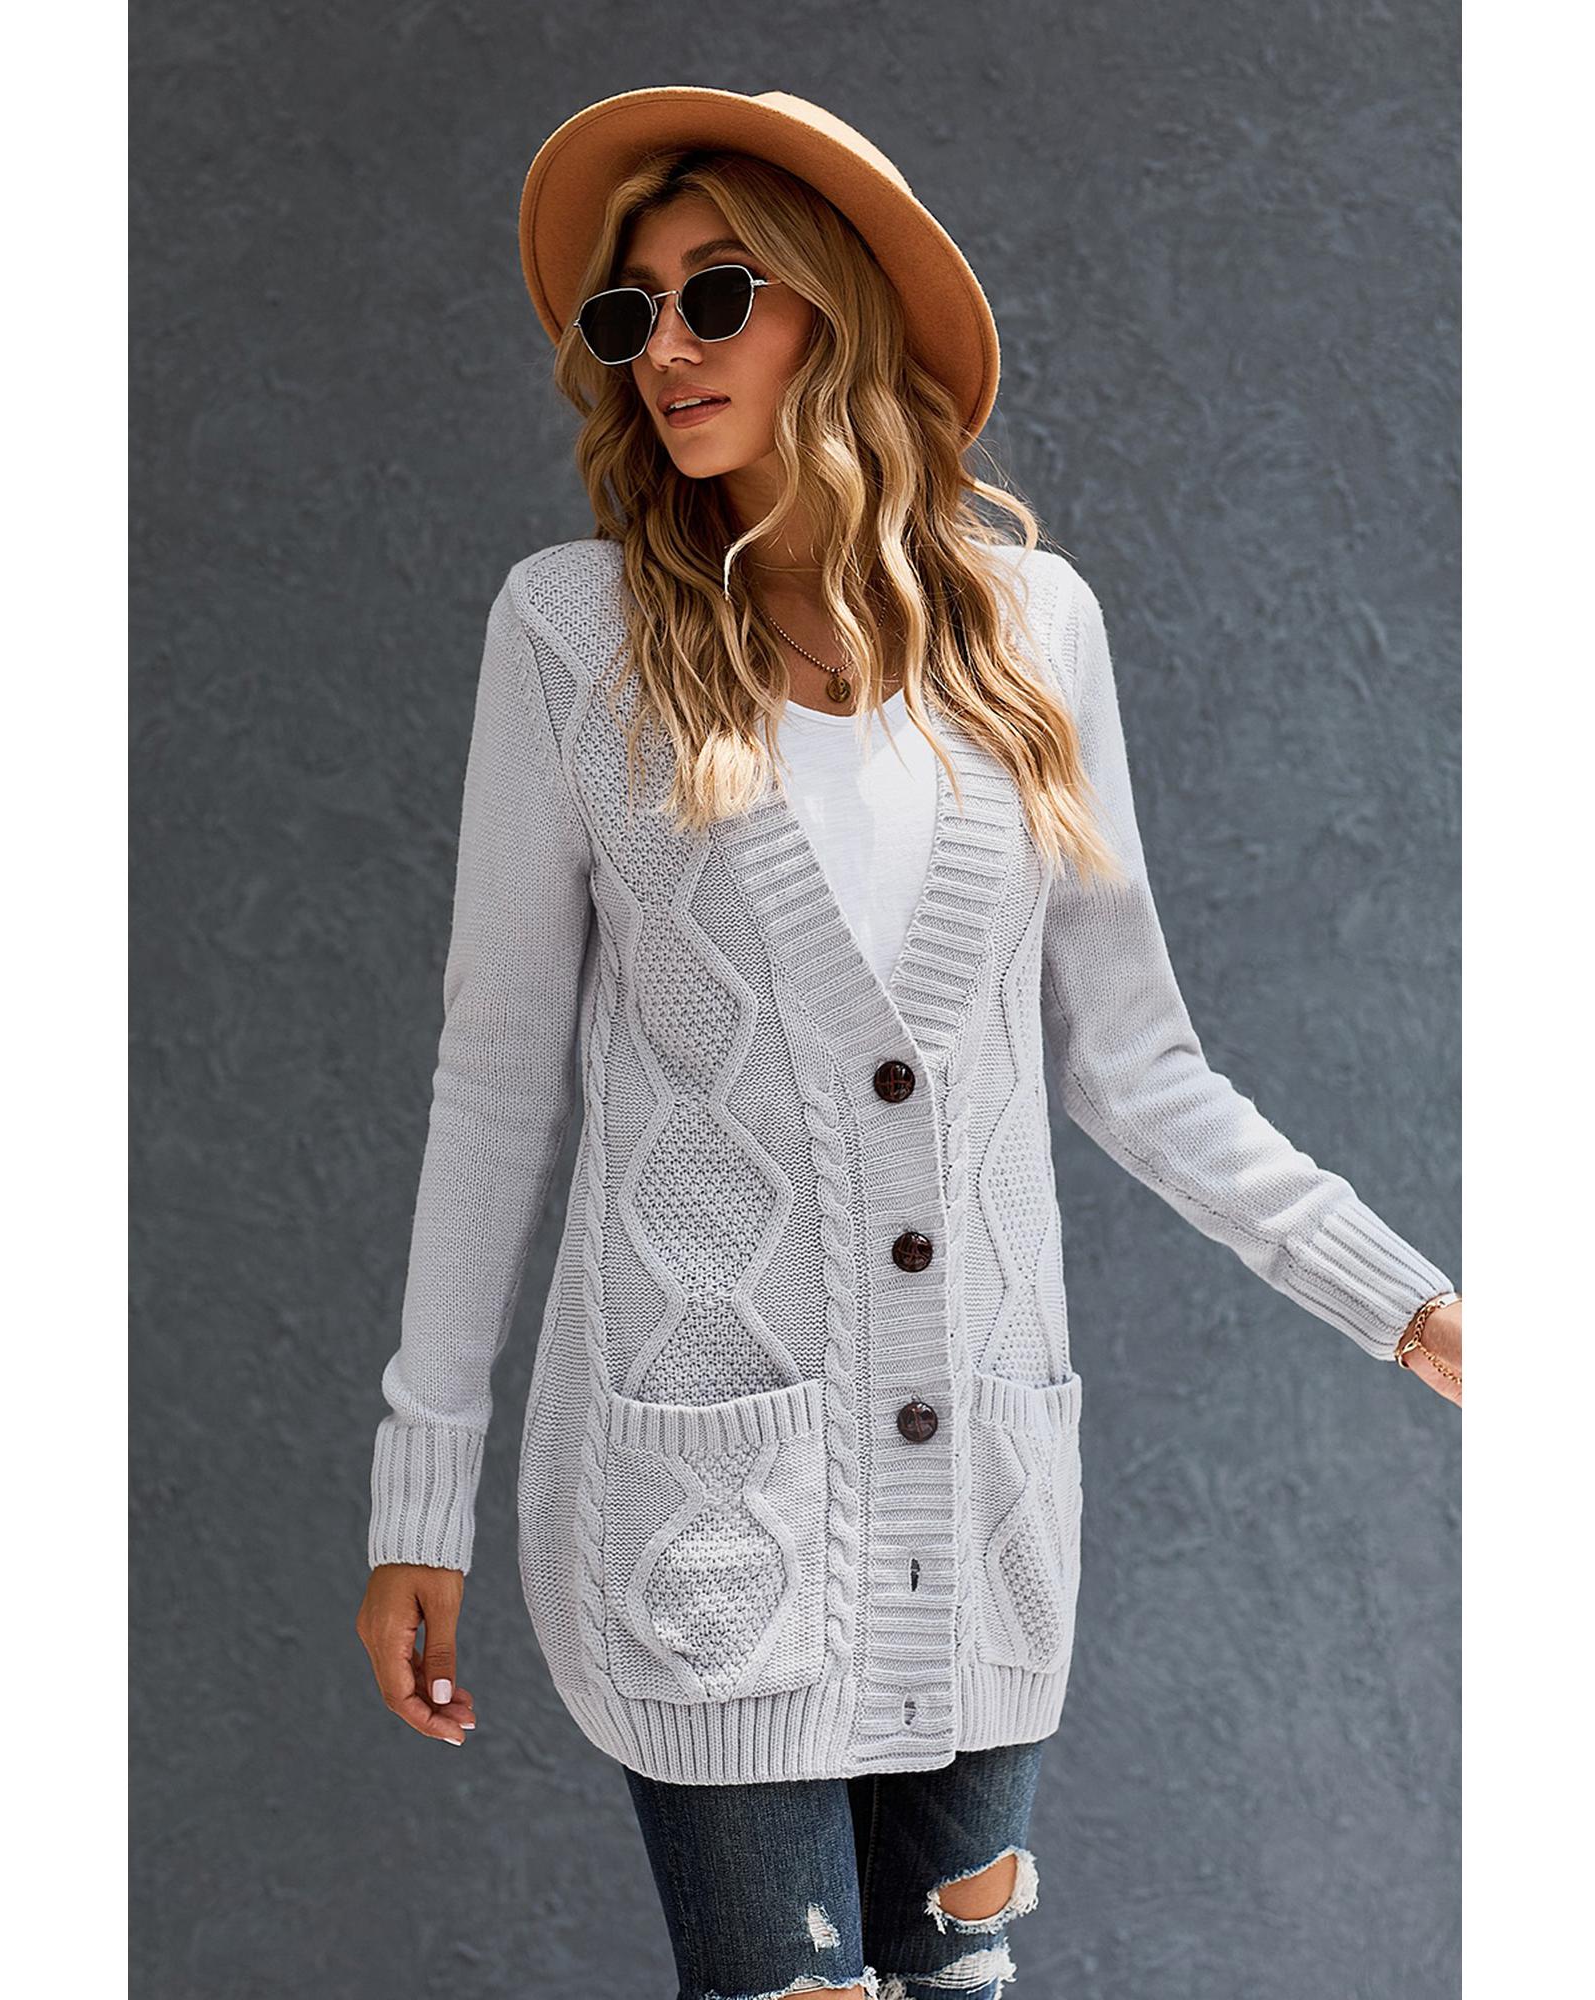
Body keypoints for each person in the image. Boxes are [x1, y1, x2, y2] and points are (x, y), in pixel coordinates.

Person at [354, 88, 1461, 2000]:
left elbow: (1136, 1065)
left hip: (979, 1496)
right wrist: (417, 1492)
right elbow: (495, 1078)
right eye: (630, 314)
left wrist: (1414, 1307)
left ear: (839, 310)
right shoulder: (571, 636)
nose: (666, 348)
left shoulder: (1034, 631)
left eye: (718, 294)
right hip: (703, 1504)